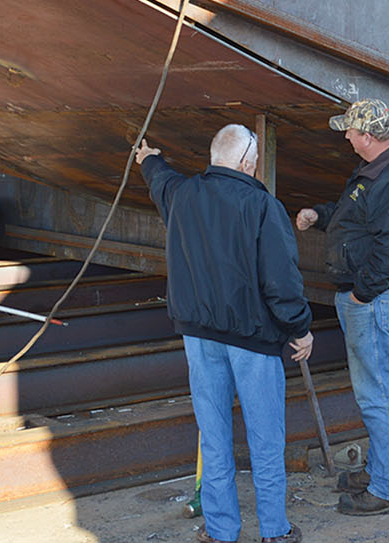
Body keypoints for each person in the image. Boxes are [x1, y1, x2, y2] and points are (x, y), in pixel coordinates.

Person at [137, 125, 313, 543]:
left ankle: (220, 532)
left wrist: (148, 159)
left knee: (214, 436)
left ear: (216, 157)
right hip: (251, 340)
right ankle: (274, 532)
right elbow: (281, 282)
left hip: (199, 338)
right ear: (249, 163)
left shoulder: (182, 195)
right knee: (265, 440)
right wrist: (300, 328)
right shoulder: (262, 206)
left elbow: (160, 180)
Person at [295, 99, 389, 516]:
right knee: (376, 391)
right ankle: (379, 469)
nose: (347, 137)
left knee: (380, 394)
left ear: (368, 137)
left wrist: (360, 294)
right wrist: (320, 214)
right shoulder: (377, 169)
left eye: (350, 132)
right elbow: (357, 218)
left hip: (376, 300)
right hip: (372, 298)